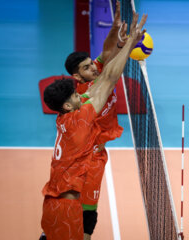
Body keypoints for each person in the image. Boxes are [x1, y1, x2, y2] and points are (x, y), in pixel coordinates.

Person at [41, 12, 147, 240]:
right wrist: (129, 45)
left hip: (53, 201)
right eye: (78, 96)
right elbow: (108, 80)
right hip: (67, 208)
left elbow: (102, 72)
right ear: (69, 104)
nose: (84, 96)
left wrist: (118, 40)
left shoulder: (66, 116)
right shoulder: (81, 119)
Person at [63, 2, 127, 239]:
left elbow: (107, 51)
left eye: (92, 63)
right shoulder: (86, 94)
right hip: (89, 159)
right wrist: (127, 44)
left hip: (96, 153)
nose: (95, 67)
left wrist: (114, 27)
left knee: (82, 213)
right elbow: (113, 67)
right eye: (88, 67)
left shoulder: (95, 71)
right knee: (85, 215)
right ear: (77, 76)